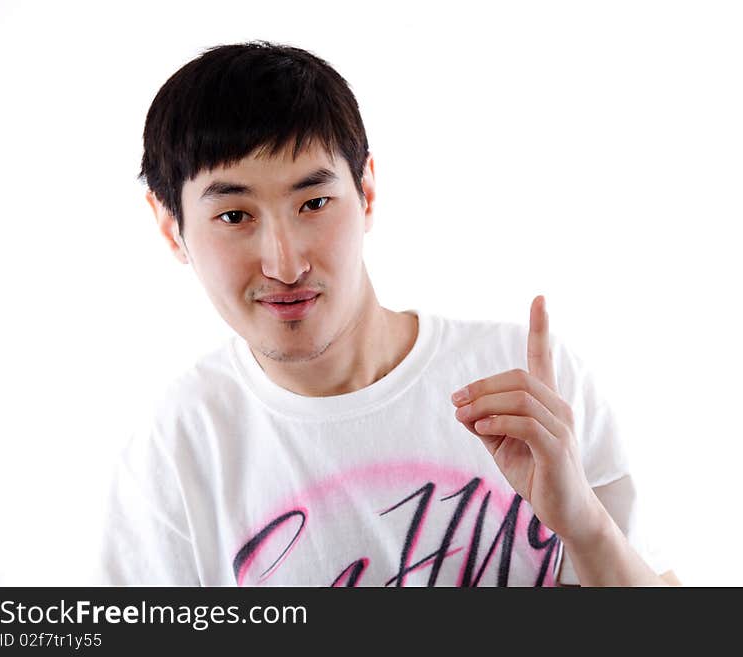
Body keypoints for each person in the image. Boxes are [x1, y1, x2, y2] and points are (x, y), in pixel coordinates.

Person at [97, 40, 680, 587]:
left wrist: (585, 526)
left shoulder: (527, 387)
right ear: (171, 226)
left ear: (367, 192)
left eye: (314, 203)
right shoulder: (175, 455)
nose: (285, 262)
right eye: (234, 216)